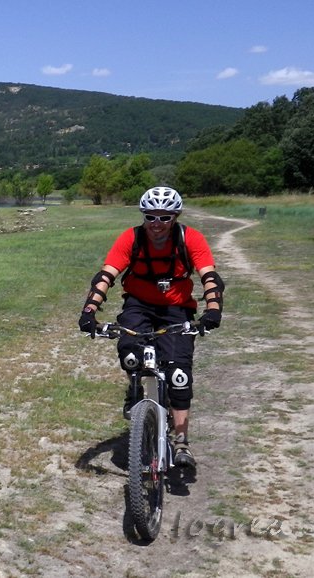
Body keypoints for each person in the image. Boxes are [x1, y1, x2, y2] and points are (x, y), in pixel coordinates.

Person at [78, 186, 225, 469]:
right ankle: (134, 387)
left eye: (164, 217)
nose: (157, 223)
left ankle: (181, 441)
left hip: (176, 309)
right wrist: (89, 312)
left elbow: (210, 277)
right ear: (143, 216)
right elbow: (106, 276)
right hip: (139, 305)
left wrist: (213, 310)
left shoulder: (190, 238)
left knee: (179, 374)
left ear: (175, 217)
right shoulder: (131, 238)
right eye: (150, 217)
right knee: (130, 354)